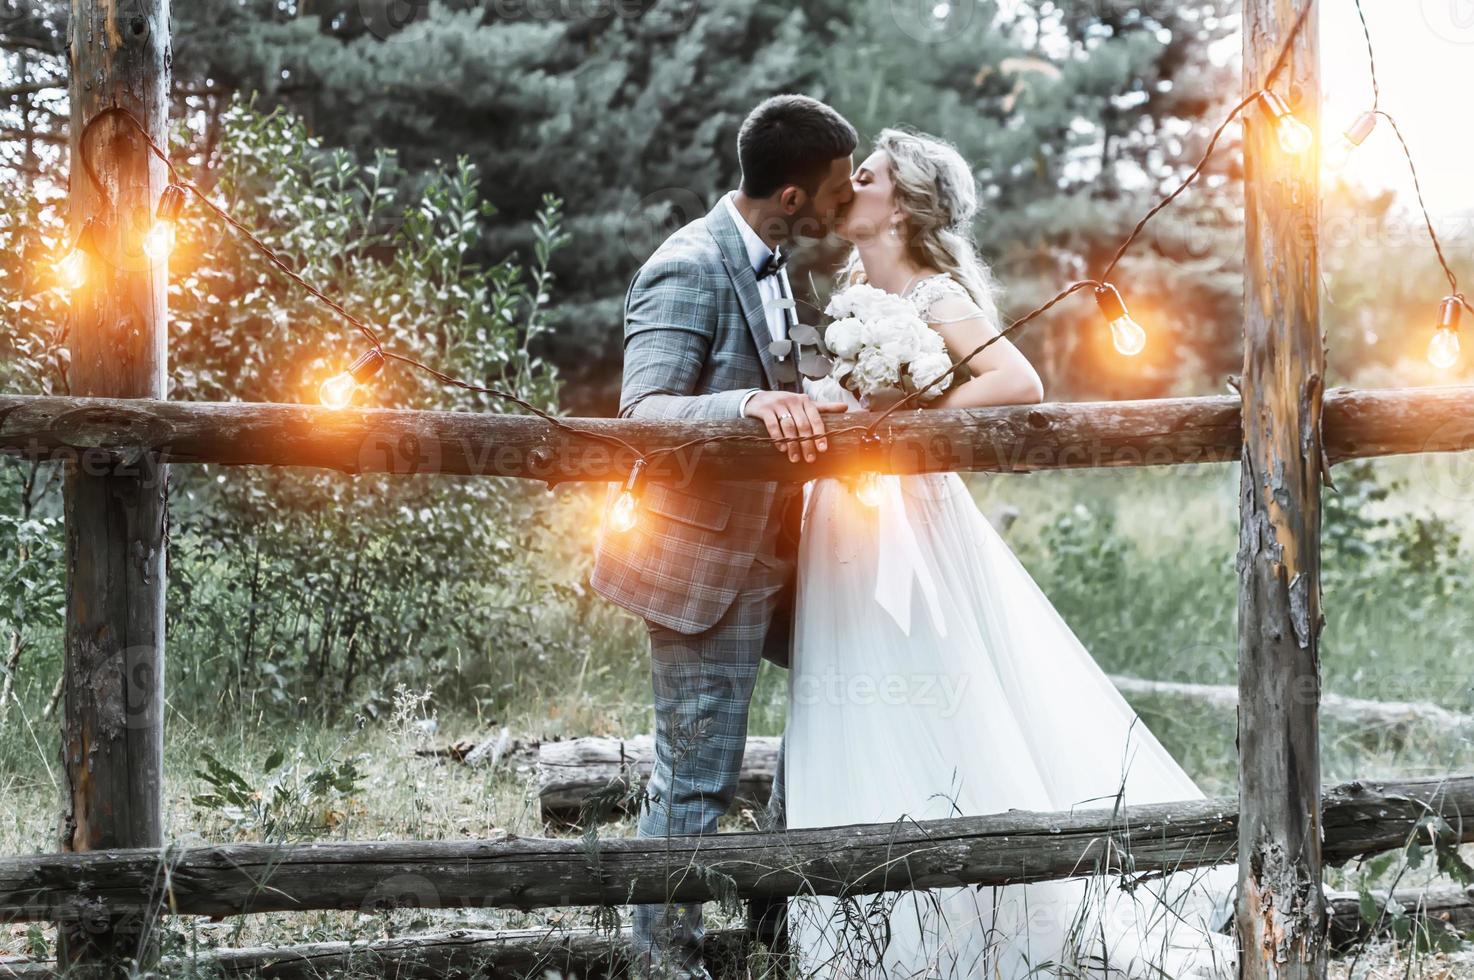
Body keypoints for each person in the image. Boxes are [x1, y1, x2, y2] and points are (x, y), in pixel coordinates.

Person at [780, 128, 1240, 979]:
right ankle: (864, 900)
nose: (849, 186)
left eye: (868, 177)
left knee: (934, 680)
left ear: (904, 204)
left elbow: (1015, 382)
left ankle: (985, 906)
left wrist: (901, 420)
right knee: (852, 681)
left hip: (908, 516)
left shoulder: (931, 292)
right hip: (844, 515)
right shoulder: (850, 289)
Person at [589, 93, 858, 980]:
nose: (843, 201)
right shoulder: (688, 266)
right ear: (790, 196)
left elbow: (789, 375)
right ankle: (664, 959)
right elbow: (646, 413)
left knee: (835, 722)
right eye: (832, 188)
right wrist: (747, 405)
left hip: (788, 553)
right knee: (697, 773)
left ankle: (774, 915)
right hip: (708, 560)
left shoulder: (777, 261)